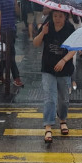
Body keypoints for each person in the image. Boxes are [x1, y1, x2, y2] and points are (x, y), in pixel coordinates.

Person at [33, 10, 77, 143]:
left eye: (60, 16)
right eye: (55, 16)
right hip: (48, 68)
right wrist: (42, 33)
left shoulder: (70, 28)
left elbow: (74, 48)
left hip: (65, 69)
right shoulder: (47, 25)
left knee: (64, 99)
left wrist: (64, 60)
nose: (57, 19)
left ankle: (62, 119)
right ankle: (48, 126)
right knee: (50, 98)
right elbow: (36, 43)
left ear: (65, 17)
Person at [0, 0, 23, 87]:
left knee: (7, 55)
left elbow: (18, 13)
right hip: (4, 30)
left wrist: (16, 1)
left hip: (12, 29)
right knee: (11, 54)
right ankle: (16, 77)